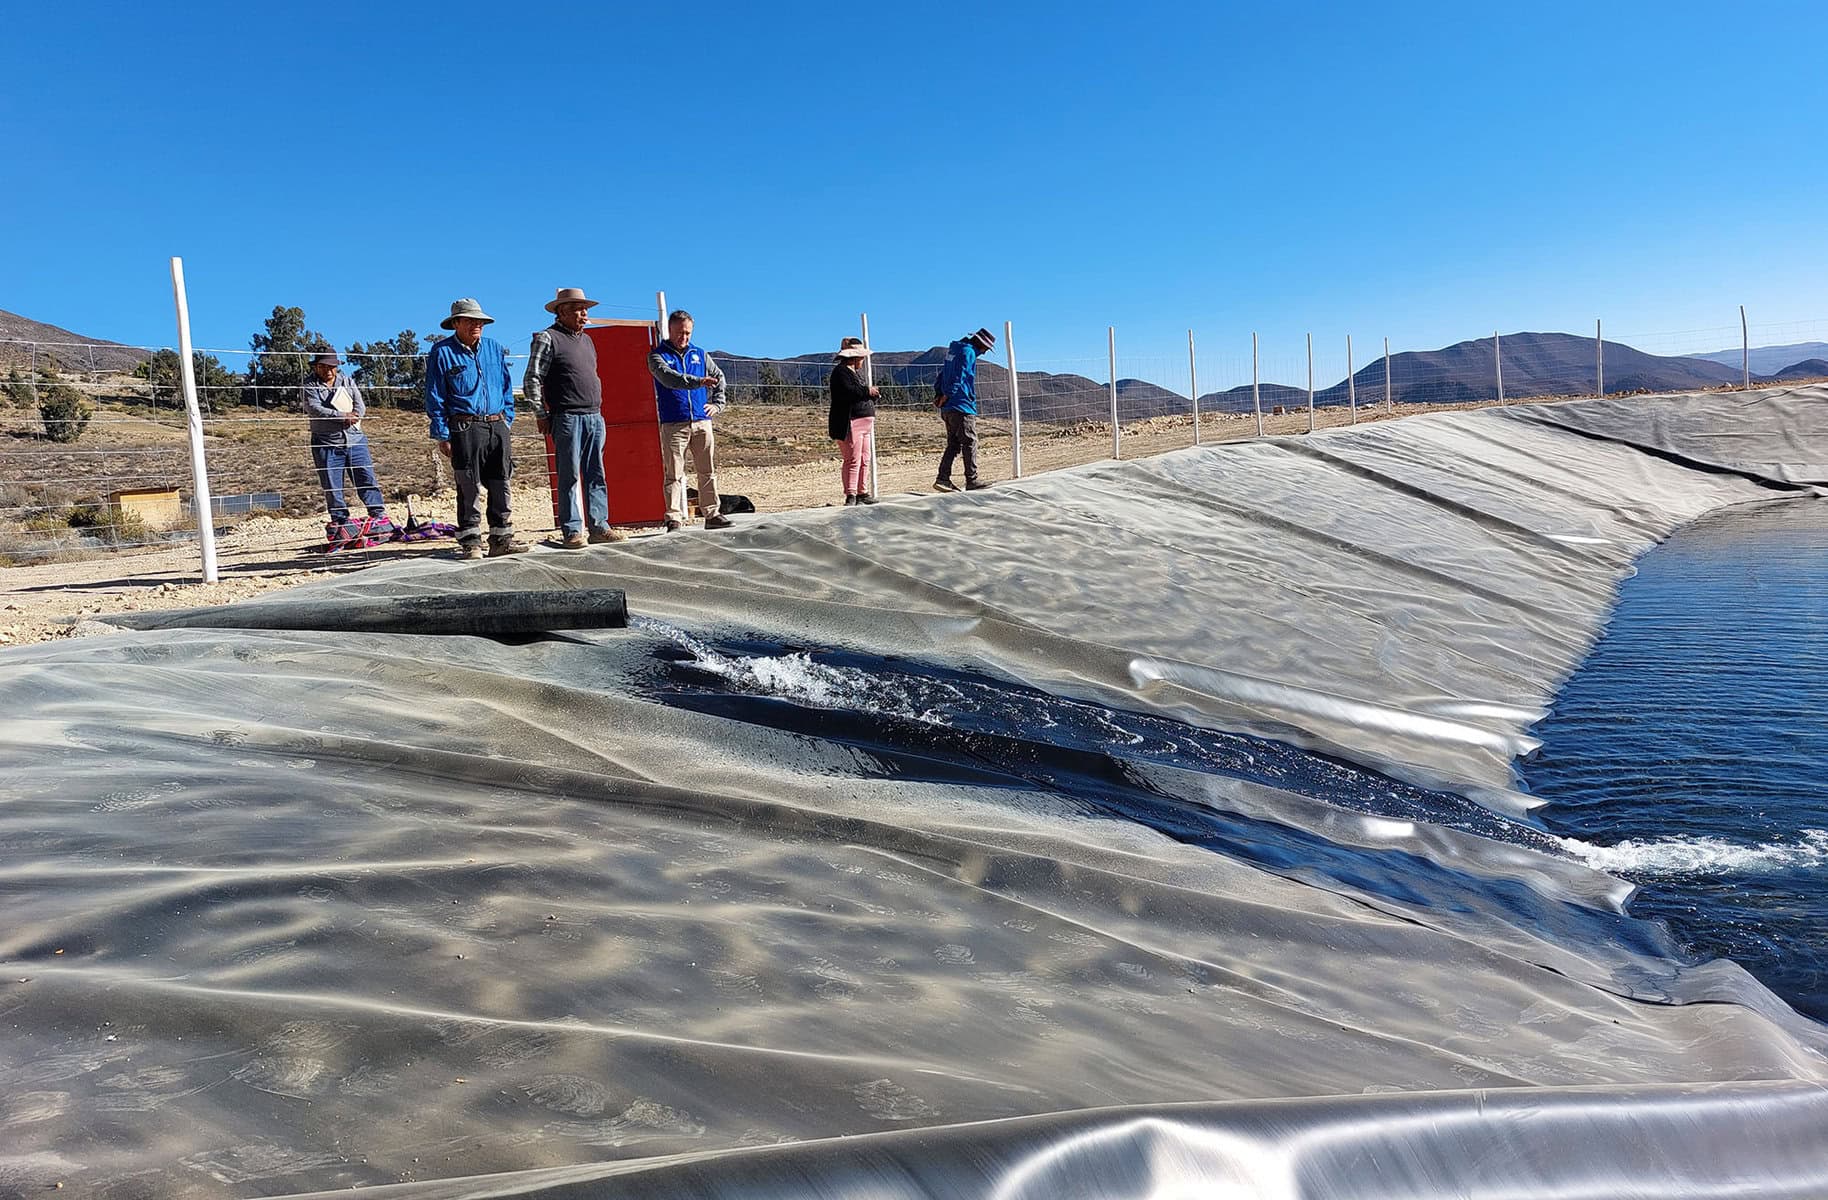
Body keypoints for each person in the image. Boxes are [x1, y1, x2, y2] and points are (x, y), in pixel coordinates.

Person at [524, 287, 627, 548]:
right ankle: (572, 531)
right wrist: (540, 413)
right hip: (567, 417)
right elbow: (532, 378)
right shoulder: (548, 338)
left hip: (594, 415)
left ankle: (599, 527)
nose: (584, 314)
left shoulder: (587, 341)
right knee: (569, 475)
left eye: (585, 310)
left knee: (596, 474)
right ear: (562, 312)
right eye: (579, 310)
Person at [426, 297, 528, 559]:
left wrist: (507, 418)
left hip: (497, 424)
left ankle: (501, 538)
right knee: (468, 483)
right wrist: (442, 433)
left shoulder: (494, 349)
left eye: (480, 321)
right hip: (464, 426)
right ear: (456, 323)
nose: (476, 325)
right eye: (470, 321)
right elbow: (435, 394)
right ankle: (471, 541)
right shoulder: (442, 352)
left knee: (501, 481)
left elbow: (506, 386)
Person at [648, 309, 733, 531]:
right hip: (674, 423)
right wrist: (698, 382)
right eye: (679, 332)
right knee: (674, 473)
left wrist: (718, 404)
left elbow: (719, 377)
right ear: (669, 330)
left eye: (687, 333)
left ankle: (712, 513)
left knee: (707, 470)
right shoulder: (657, 356)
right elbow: (669, 378)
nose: (683, 337)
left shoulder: (700, 354)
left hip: (702, 421)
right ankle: (674, 517)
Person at [299, 351, 392, 542]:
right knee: (332, 485)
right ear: (316, 367)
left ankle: (378, 517)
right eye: (323, 367)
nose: (328, 371)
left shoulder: (347, 381)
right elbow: (314, 409)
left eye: (332, 367)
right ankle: (340, 523)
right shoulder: (309, 385)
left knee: (366, 478)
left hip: (355, 440)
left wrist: (356, 415)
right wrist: (342, 416)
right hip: (327, 442)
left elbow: (360, 405)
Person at [933, 326, 995, 492]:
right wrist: (947, 395)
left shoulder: (954, 350)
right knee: (969, 441)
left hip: (948, 406)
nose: (985, 352)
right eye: (986, 348)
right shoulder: (968, 352)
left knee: (953, 444)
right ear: (981, 344)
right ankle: (971, 480)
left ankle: (943, 478)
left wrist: (939, 393)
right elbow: (959, 376)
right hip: (961, 404)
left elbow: (943, 374)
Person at [827, 337, 879, 505]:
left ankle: (862, 492)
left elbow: (858, 391)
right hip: (850, 422)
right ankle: (851, 494)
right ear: (854, 357)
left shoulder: (853, 373)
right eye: (861, 357)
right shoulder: (841, 373)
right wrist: (867, 391)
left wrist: (870, 394)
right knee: (853, 459)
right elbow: (850, 392)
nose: (863, 360)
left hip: (863, 422)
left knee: (864, 458)